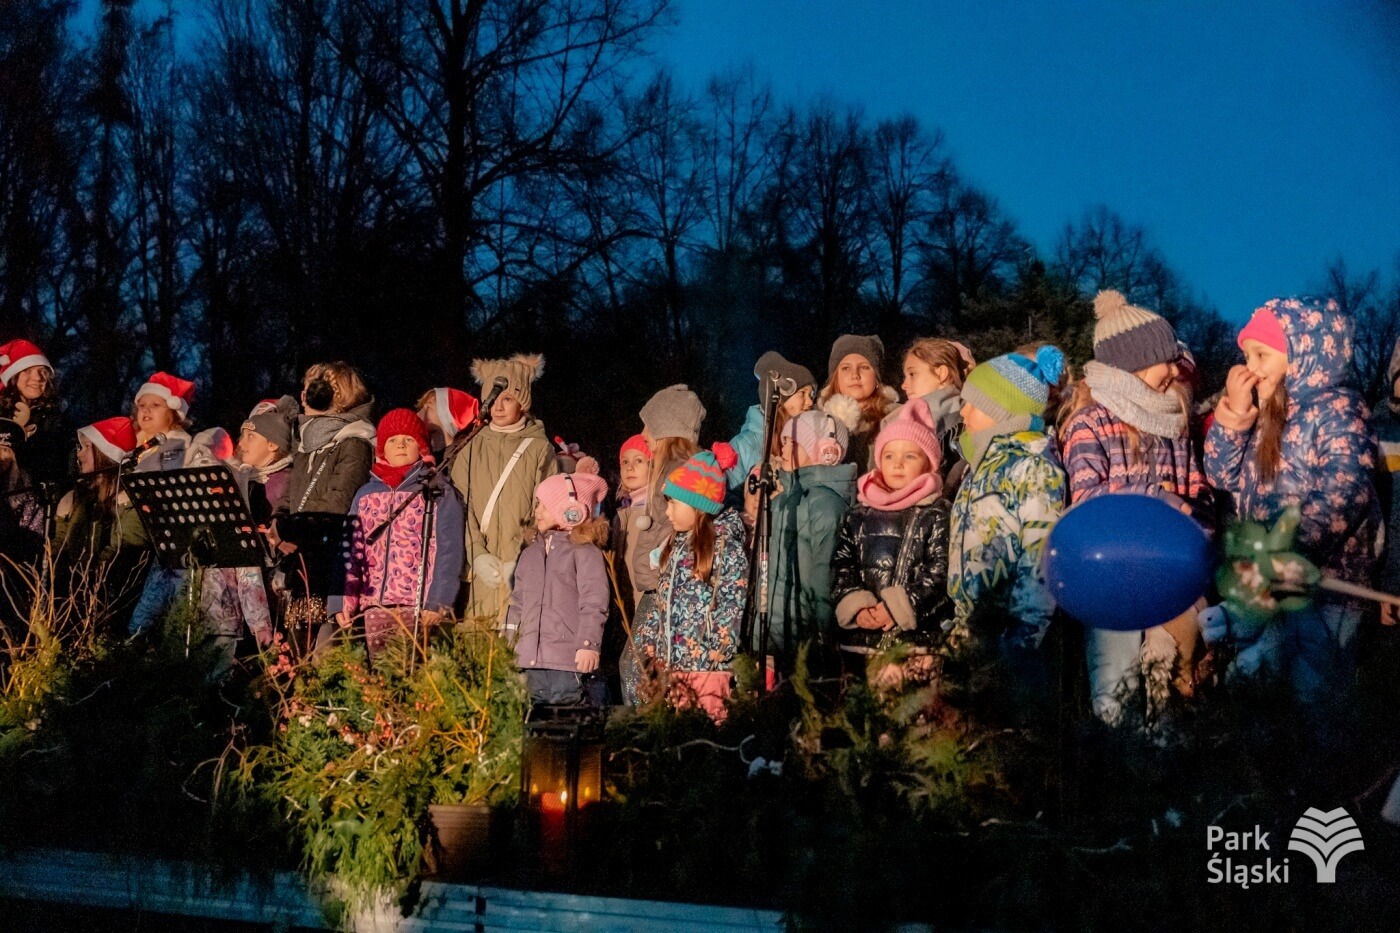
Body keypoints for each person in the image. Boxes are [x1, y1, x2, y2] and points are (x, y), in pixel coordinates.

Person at [1204, 297, 1379, 717]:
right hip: (1268, 577)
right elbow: (1221, 476)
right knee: (1264, 680)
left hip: (1324, 581)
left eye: (1262, 354)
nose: (1251, 366)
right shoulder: (1267, 413)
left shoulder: (1339, 409)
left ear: (1305, 353)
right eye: (1246, 355)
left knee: (1316, 683)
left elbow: (1345, 489)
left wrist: (1292, 549)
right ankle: (1270, 768)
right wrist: (1235, 416)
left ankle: (1325, 770)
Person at [1059, 290, 1211, 725]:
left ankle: (1165, 762)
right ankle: (1116, 768)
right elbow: (1088, 501)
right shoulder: (1091, 422)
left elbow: (1195, 493)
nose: (1174, 367)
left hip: (1170, 575)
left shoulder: (1173, 421)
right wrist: (1157, 501)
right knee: (1116, 684)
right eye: (1165, 358)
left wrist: (1201, 539)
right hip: (1111, 579)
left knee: (1170, 678)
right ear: (1135, 361)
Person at [946, 347, 1068, 689]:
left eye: (973, 402)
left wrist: (1023, 639)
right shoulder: (979, 466)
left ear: (1000, 409)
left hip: (1013, 641)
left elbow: (1040, 556)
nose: (963, 411)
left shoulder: (1034, 465)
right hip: (974, 629)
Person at [831, 399, 951, 689]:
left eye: (910, 456)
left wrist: (896, 608)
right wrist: (859, 607)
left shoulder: (936, 513)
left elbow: (940, 571)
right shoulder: (858, 514)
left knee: (913, 725)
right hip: (862, 644)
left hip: (915, 645)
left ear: (928, 463)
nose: (897, 464)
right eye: (889, 456)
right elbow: (841, 566)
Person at [334, 409, 465, 659]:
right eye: (392, 440)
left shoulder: (437, 491)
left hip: (417, 604)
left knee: (416, 678)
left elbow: (450, 549)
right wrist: (342, 598)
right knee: (383, 675)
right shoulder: (365, 495)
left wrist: (439, 599)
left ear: (422, 447)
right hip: (375, 604)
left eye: (409, 439)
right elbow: (350, 550)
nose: (400, 445)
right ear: (382, 449)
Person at [632, 444, 748, 721]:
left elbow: (732, 597)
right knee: (676, 734)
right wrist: (650, 636)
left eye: (674, 503)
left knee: (706, 729)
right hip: (671, 665)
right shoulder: (675, 546)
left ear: (698, 505)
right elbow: (663, 597)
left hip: (707, 666)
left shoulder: (725, 548)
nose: (668, 511)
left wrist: (722, 641)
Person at [276, 362, 375, 647]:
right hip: (302, 558)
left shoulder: (354, 442)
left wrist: (290, 529)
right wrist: (278, 520)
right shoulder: (306, 443)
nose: (303, 395)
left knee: (325, 653)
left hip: (331, 564)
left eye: (311, 389)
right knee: (296, 649)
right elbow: (290, 491)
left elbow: (337, 500)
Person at [453, 353, 556, 624]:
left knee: (516, 644)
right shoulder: (470, 447)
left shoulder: (540, 449)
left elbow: (547, 511)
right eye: (493, 399)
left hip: (521, 566)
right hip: (479, 572)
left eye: (507, 398)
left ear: (523, 402)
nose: (498, 406)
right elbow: (459, 505)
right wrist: (476, 553)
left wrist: (522, 556)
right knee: (478, 645)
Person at [621, 385, 705, 702]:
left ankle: (642, 737)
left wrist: (663, 555)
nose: (643, 434)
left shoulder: (680, 471)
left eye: (649, 426)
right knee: (653, 668)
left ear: (667, 427)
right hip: (660, 585)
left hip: (667, 588)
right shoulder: (668, 468)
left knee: (635, 667)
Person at [506, 459, 610, 705]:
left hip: (566, 660)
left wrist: (588, 644)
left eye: (543, 505)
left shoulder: (584, 552)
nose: (537, 511)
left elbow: (594, 601)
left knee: (567, 716)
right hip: (529, 659)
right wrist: (508, 645)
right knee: (533, 720)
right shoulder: (530, 553)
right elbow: (517, 602)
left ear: (569, 510)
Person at [126, 372, 222, 639]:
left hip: (172, 552)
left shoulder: (190, 450)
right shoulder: (128, 452)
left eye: (155, 405)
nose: (145, 411)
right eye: (142, 405)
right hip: (132, 551)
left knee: (163, 626)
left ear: (175, 413)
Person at [763, 409, 856, 659]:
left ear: (825, 451)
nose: (783, 450)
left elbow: (826, 578)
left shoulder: (827, 505)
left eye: (792, 443)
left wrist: (825, 642)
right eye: (783, 442)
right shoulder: (781, 501)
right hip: (771, 633)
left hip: (803, 641)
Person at [52, 417, 147, 632]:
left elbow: (121, 552)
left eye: (87, 447)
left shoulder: (130, 502)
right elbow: (59, 546)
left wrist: (80, 584)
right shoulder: (79, 499)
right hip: (70, 600)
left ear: (106, 454)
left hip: (110, 603)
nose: (79, 454)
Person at [887, 338, 975, 491]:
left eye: (912, 374)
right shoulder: (896, 418)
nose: (904, 385)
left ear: (941, 374)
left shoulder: (963, 422)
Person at [726, 351, 817, 490]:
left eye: (811, 394)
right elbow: (734, 499)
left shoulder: (810, 438)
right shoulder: (741, 446)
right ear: (780, 396)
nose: (810, 401)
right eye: (802, 393)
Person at [819, 334, 899, 469]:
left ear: (877, 377)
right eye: (846, 368)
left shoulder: (897, 418)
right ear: (835, 377)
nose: (855, 375)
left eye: (864, 367)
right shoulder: (816, 421)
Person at [0, 338, 67, 489]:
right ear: (13, 377)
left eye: (43, 371)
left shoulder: (56, 420)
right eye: (27, 370)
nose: (37, 378)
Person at [417, 386, 480, 467]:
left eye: (428, 407)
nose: (418, 413)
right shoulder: (420, 455)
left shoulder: (464, 455)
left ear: (446, 414)